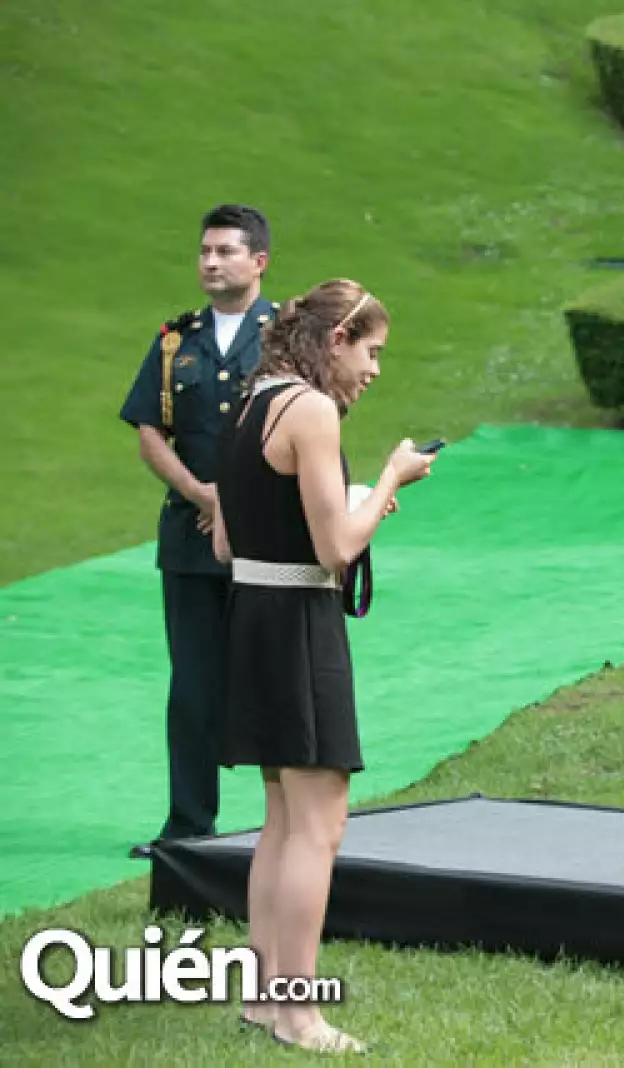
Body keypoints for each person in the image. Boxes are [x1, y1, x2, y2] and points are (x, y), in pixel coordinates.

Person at [211, 280, 433, 1049]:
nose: (373, 370)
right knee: (318, 825)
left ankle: (263, 1000)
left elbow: (228, 540)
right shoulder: (309, 409)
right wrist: (390, 482)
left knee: (281, 821)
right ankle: (298, 1014)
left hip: (252, 617)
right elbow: (337, 549)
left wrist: (352, 502)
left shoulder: (249, 403)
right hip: (298, 625)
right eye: (370, 352)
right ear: (336, 338)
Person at [120, 204, 277, 857]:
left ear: (259, 261)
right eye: (205, 251)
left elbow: (313, 422)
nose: (210, 262)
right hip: (188, 537)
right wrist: (196, 491)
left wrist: (239, 499)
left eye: (226, 252)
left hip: (267, 537)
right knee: (191, 685)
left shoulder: (286, 336)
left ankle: (288, 828)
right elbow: (148, 429)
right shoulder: (174, 339)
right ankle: (188, 826)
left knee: (275, 681)